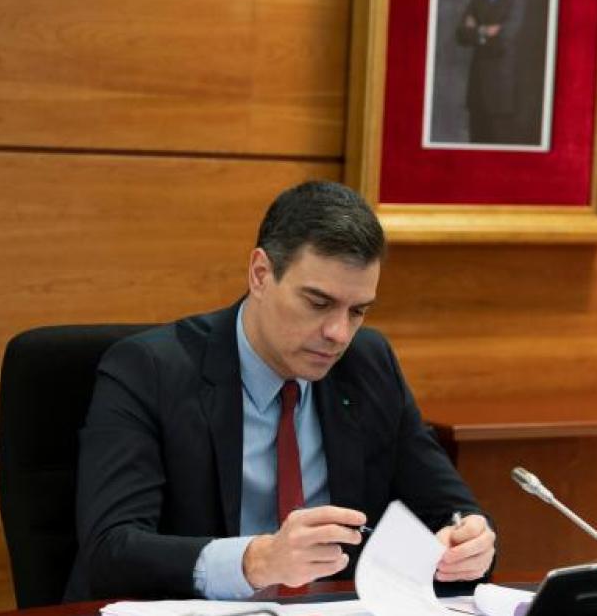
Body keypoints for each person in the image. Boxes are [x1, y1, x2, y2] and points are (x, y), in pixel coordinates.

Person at [64, 181, 496, 602]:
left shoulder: (368, 363)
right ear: (260, 274)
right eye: (318, 303)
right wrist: (255, 560)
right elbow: (110, 550)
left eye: (358, 311)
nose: (338, 333)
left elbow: (448, 508)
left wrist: (468, 540)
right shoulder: (149, 370)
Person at [456, 0, 527, 144]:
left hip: (500, 93)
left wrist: (476, 29)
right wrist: (485, 31)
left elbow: (505, 39)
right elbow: (461, 34)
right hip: (477, 89)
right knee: (474, 149)